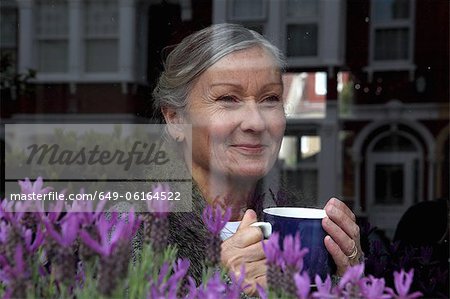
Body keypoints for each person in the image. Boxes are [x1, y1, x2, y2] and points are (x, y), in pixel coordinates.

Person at [152, 23, 363, 296]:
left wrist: (350, 280)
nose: (256, 122)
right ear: (175, 119)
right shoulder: (129, 228)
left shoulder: (300, 220)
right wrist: (223, 285)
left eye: (270, 99)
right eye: (228, 99)